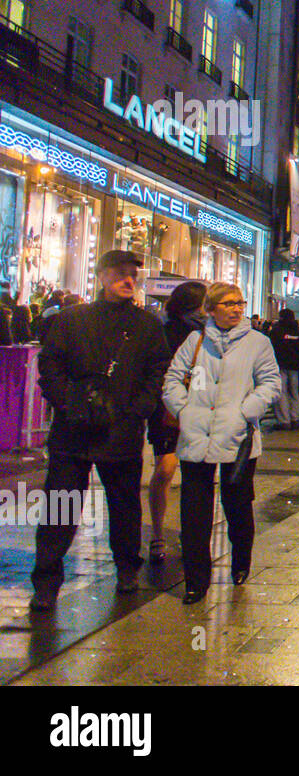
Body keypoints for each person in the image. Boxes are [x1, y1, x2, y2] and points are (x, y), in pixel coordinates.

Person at [28, 252, 172, 611]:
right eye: (120, 273)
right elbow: (50, 364)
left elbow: (157, 371)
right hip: (72, 433)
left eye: (133, 274)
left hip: (120, 432)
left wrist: (135, 409)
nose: (128, 280)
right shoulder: (72, 320)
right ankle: (46, 582)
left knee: (123, 507)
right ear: (103, 276)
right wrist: (68, 403)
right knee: (60, 509)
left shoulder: (147, 325)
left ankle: (127, 568)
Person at [163, 283, 279, 605]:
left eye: (240, 303)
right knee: (194, 513)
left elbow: (270, 382)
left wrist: (247, 411)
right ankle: (196, 580)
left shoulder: (258, 343)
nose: (236, 309)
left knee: (238, 505)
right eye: (228, 304)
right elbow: (173, 377)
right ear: (211, 309)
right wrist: (183, 409)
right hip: (196, 435)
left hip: (238, 436)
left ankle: (241, 561)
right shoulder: (195, 341)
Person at [145, 280, 208, 563]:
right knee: (166, 468)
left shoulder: (208, 333)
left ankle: (189, 532)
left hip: (198, 407)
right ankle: (158, 532)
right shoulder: (165, 331)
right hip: (169, 409)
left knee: (195, 473)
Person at [269, 308, 299, 431]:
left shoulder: (276, 331)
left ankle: (284, 420)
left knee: (282, 393)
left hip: (280, 365)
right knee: (294, 392)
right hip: (295, 366)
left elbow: (270, 348)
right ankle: (295, 418)